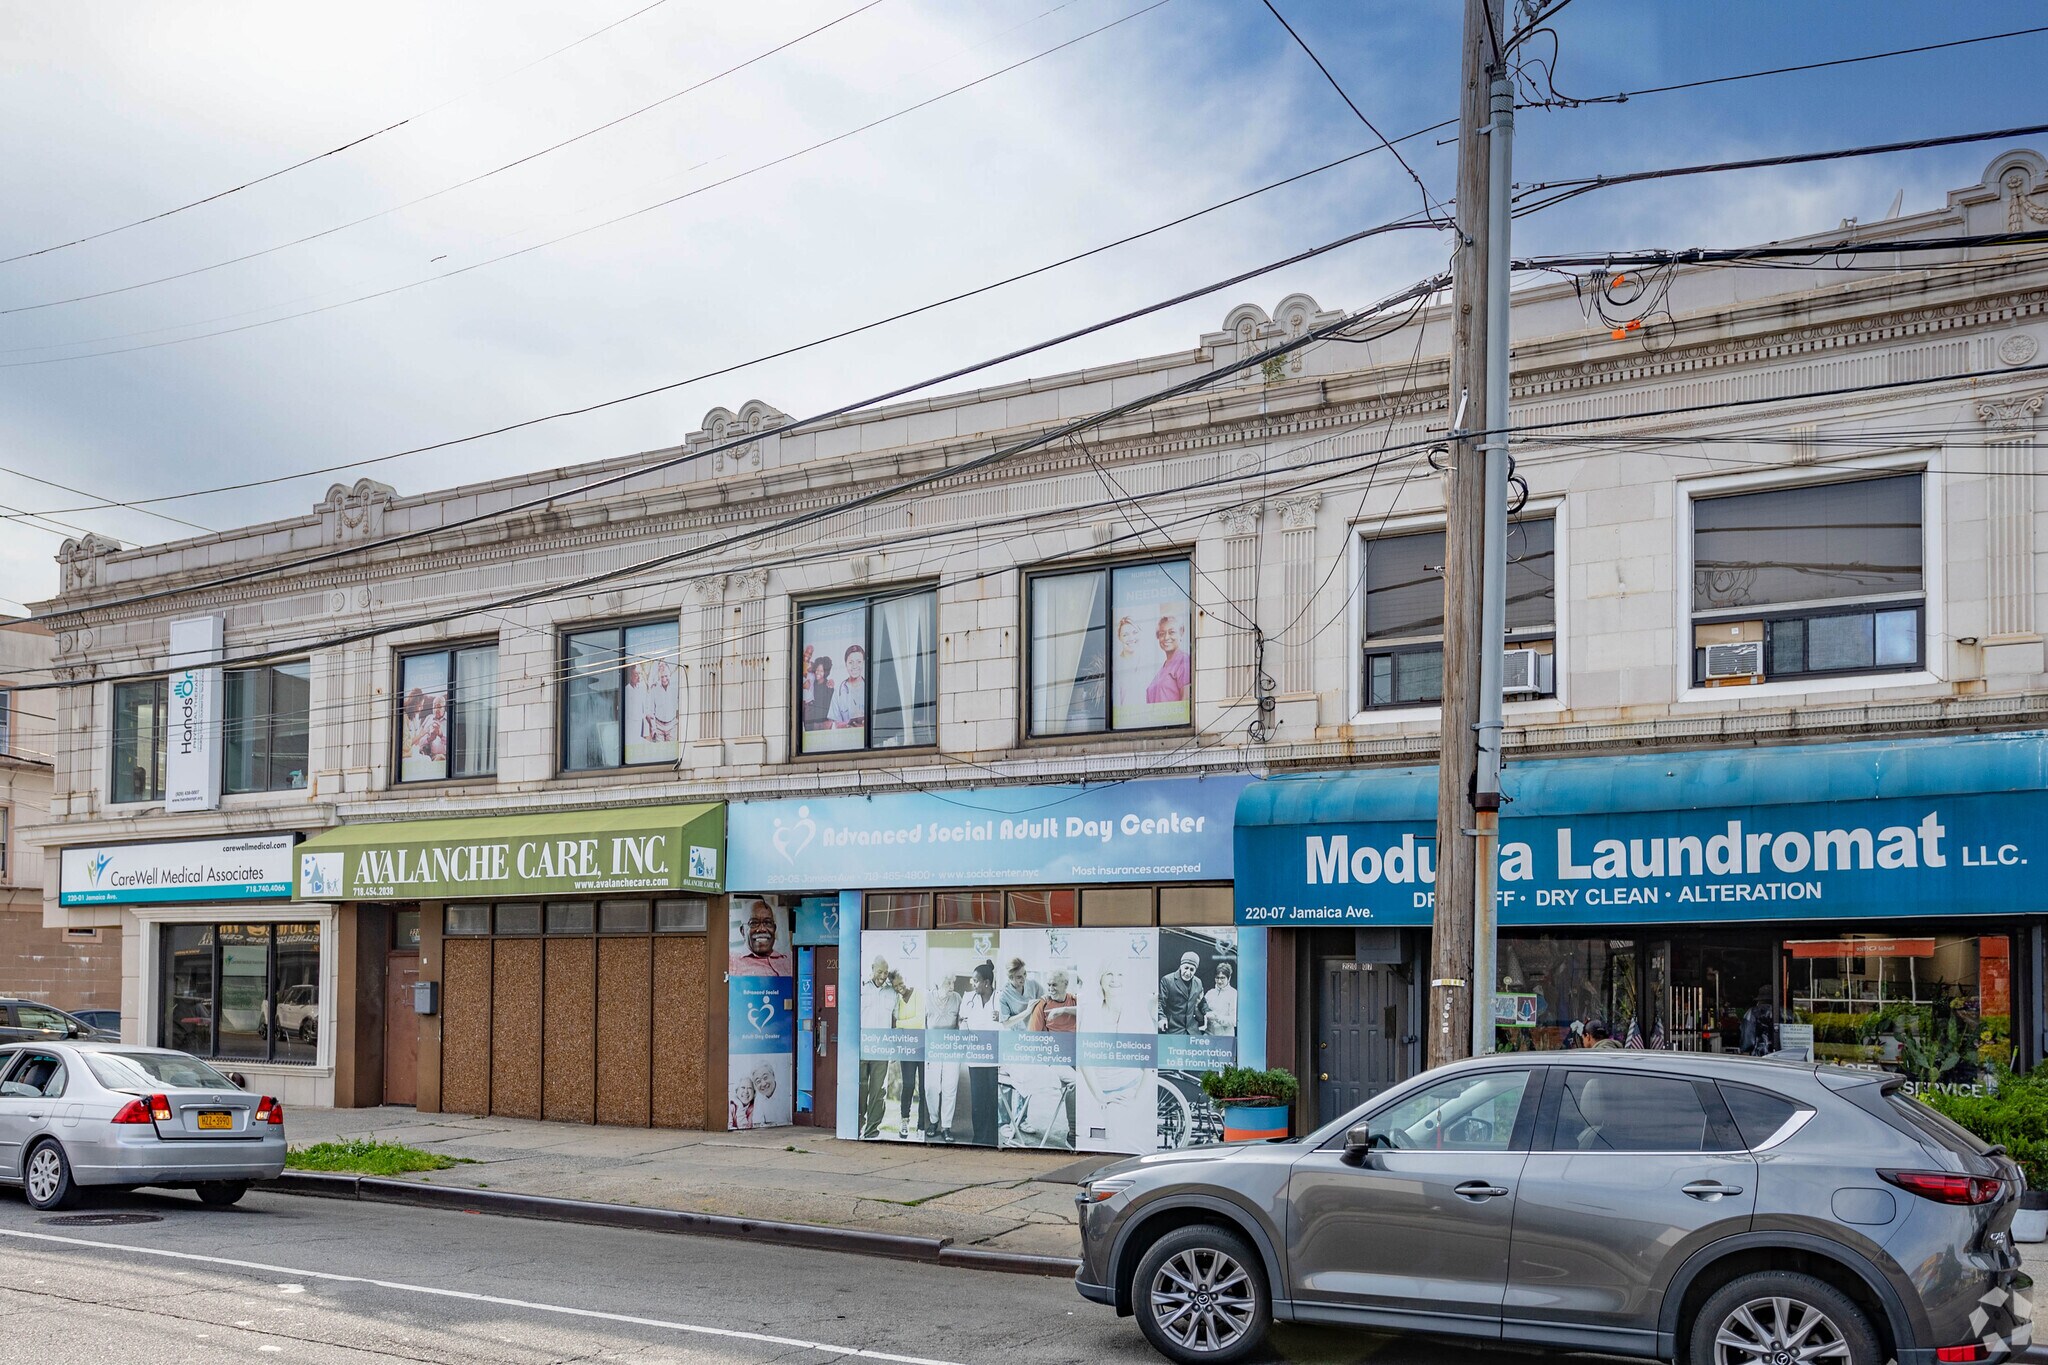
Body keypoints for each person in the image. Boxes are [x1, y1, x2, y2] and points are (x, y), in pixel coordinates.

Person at [958, 961, 1002, 1145]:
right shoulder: (969, 998)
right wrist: (966, 1031)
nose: (973, 984)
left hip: (994, 1059)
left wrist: (1002, 1018)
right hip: (975, 1057)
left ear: (986, 982)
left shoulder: (999, 998)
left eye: (976, 981)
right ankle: (979, 1138)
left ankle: (991, 1138)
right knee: (978, 1100)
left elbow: (1007, 1023)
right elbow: (962, 1021)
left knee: (992, 1100)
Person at [858, 956, 895, 1139]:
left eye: (885, 972)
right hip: (863, 1048)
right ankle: (858, 1125)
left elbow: (895, 1021)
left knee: (878, 1092)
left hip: (882, 1049)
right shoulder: (861, 988)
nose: (882, 976)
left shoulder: (892, 993)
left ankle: (872, 1130)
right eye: (879, 971)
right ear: (872, 968)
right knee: (861, 1088)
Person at [924, 972, 963, 1141]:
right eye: (948, 984)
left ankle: (946, 1126)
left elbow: (961, 1021)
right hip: (932, 1048)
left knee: (949, 1088)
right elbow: (921, 1024)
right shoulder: (927, 998)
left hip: (951, 1048)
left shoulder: (957, 998)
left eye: (953, 983)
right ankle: (934, 1120)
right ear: (938, 984)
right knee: (931, 1087)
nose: (952, 988)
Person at [891, 970, 925, 1139]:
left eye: (901, 983)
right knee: (909, 1084)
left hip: (923, 1046)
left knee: (924, 1087)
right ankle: (904, 1121)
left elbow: (920, 1021)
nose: (899, 988)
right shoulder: (897, 999)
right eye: (895, 986)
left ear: (907, 978)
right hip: (907, 1048)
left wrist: (898, 1023)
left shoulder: (919, 994)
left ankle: (922, 1126)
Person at [728, 901, 792, 977]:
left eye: (767, 922)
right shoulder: (732, 962)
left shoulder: (790, 959)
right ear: (742, 931)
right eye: (754, 923)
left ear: (774, 929)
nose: (762, 929)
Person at [1157, 951, 1208, 1035]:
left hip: (1192, 1030)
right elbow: (1160, 1003)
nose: (1188, 973)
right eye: (1186, 968)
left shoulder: (1198, 982)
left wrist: (1208, 1012)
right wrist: (1161, 1018)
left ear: (1196, 970)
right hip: (1173, 1030)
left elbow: (1202, 1002)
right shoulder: (1167, 980)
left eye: (1192, 969)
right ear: (1181, 966)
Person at [1145, 614, 1190, 704]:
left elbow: (1186, 699)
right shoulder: (1163, 668)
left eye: (1172, 632)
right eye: (1162, 634)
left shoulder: (1183, 660)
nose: (1166, 637)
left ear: (1181, 633)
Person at [828, 645, 867, 730]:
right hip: (846, 739)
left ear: (864, 663)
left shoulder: (870, 688)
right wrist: (848, 724)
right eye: (850, 662)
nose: (854, 666)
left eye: (859, 662)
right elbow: (835, 723)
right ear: (845, 664)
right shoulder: (839, 691)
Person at [999, 957, 1043, 1029]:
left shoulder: (1033, 985)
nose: (1024, 978)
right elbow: (1006, 1023)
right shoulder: (1004, 995)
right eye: (1019, 977)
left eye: (1025, 973)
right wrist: (1027, 1012)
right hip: (1016, 1035)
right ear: (1011, 978)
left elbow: (1045, 1001)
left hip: (1034, 1032)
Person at [1111, 615, 1144, 712]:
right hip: (1126, 718)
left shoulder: (1148, 660)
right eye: (1125, 635)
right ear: (1119, 638)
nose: (1131, 638)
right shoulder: (1116, 665)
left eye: (1134, 632)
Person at [1203, 962, 1238, 1038]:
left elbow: (1234, 1021)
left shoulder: (1234, 994)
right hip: (1209, 1037)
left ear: (1229, 978)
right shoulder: (1209, 993)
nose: (1219, 981)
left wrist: (1216, 1017)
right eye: (1217, 977)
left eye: (1222, 978)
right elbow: (1204, 1013)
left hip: (1225, 1038)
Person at [1740, 989, 1778, 1056]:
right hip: (1782, 1054)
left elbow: (1748, 1037)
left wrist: (1745, 1050)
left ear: (1759, 1000)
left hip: (1759, 1054)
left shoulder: (1752, 1012)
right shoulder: (1785, 1012)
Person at [802, 657, 835, 731]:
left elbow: (832, 706)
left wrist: (829, 722)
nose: (818, 673)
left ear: (825, 672)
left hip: (825, 722)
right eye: (817, 670)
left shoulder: (828, 686)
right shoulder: (813, 683)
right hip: (812, 721)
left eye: (821, 671)